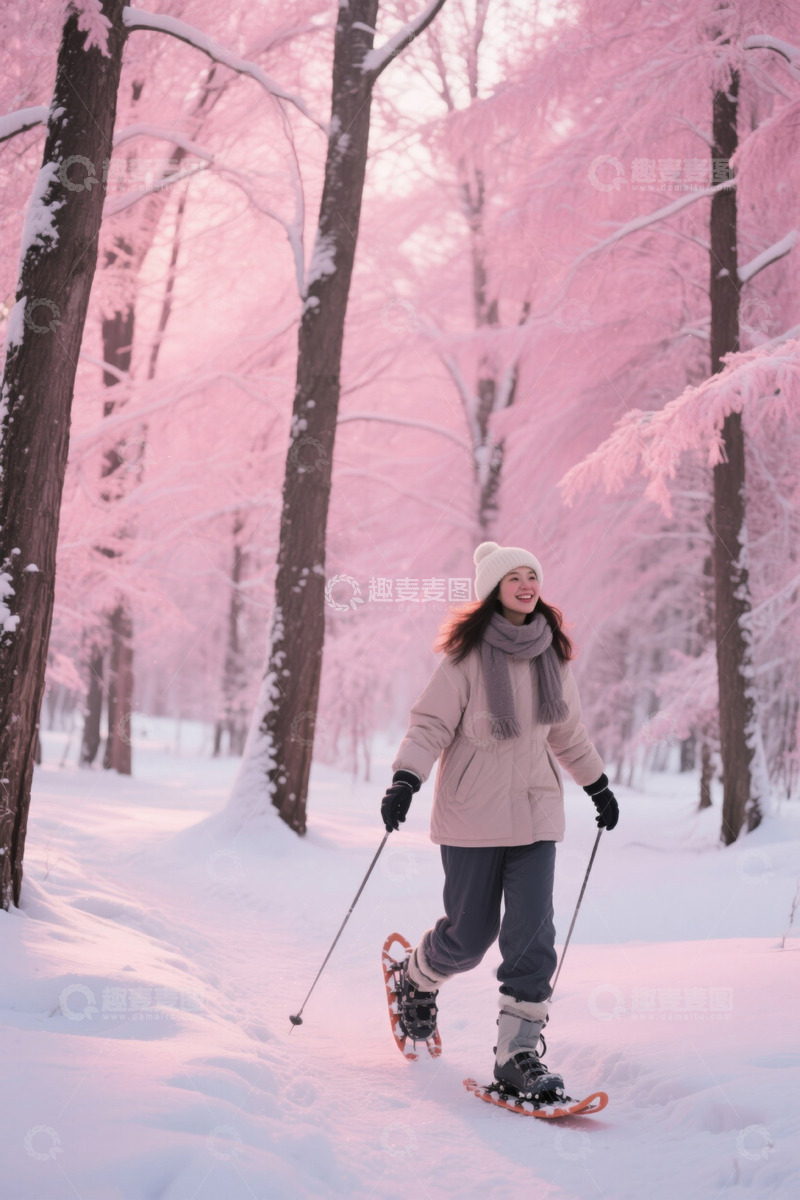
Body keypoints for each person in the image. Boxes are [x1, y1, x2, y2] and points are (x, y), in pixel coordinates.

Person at [380, 540, 619, 1101]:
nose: (526, 583)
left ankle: (517, 1055)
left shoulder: (550, 657)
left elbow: (568, 734)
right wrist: (406, 778)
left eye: (531, 574)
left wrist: (598, 785)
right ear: (493, 589)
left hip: (536, 813)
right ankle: (416, 975)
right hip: (472, 815)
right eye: (512, 576)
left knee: (533, 933)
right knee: (469, 937)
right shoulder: (464, 659)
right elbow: (429, 725)